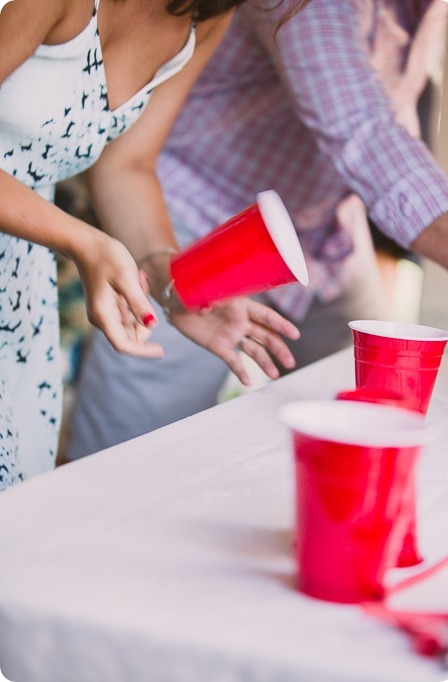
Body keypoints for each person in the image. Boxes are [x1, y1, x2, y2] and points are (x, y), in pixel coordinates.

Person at [65, 0, 448, 461]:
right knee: (123, 460)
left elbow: (391, 110)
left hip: (325, 238)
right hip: (202, 229)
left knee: (370, 425)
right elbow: (360, 127)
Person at [0, 0, 309, 491]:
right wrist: (81, 240)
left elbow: (125, 166)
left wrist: (175, 283)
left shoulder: (204, 14)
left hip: (17, 289)